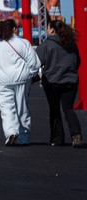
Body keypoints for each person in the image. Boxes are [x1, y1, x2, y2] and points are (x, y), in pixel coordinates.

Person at [0, 19, 41, 146]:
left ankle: (11, 131)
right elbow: (35, 63)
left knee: (6, 108)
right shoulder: (23, 43)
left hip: (3, 81)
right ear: (14, 29)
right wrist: (31, 73)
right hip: (21, 79)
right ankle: (23, 137)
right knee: (22, 108)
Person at [35, 19, 83, 147]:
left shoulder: (46, 45)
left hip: (52, 82)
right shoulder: (71, 44)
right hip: (71, 81)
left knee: (54, 110)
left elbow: (36, 62)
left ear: (52, 30)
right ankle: (76, 135)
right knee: (68, 108)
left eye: (48, 27)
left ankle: (57, 139)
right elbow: (77, 61)